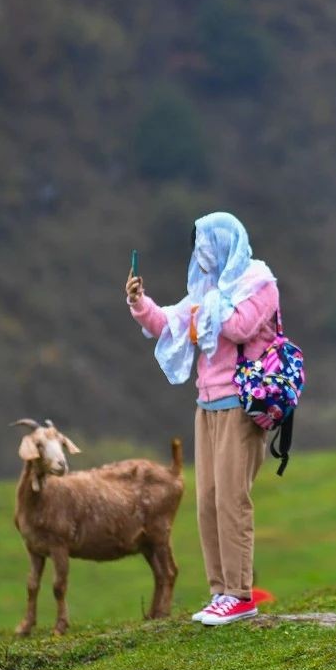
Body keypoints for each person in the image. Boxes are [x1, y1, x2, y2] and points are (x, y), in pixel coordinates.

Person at [125, 212, 279, 626]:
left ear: (225, 244)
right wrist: (141, 304)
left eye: (205, 244)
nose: (200, 253)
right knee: (208, 501)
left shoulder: (258, 283)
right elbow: (169, 324)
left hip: (240, 405)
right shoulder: (207, 291)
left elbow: (243, 326)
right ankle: (219, 591)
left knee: (232, 499)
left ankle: (241, 594)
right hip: (207, 405)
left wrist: (206, 311)